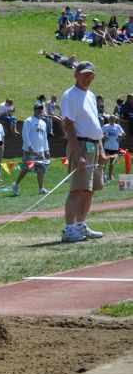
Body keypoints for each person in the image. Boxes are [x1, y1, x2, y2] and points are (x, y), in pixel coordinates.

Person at [60, 62, 105, 243]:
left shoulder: (91, 96)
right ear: (75, 74)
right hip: (80, 145)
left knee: (89, 190)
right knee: (77, 189)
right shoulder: (70, 95)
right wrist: (78, 153)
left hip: (93, 146)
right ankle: (69, 228)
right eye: (84, 74)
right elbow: (68, 124)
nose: (88, 78)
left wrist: (101, 150)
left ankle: (80, 225)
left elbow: (95, 124)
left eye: (91, 75)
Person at [12, 103, 51, 196]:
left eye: (41, 109)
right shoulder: (29, 121)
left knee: (41, 169)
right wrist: (29, 146)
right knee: (25, 169)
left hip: (40, 151)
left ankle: (41, 188)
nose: (39, 111)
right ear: (34, 110)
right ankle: (16, 184)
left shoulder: (43, 123)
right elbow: (24, 134)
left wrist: (47, 150)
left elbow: (45, 137)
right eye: (38, 109)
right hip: (30, 150)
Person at [101, 114, 124, 182]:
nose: (112, 120)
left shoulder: (117, 126)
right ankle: (102, 176)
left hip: (115, 147)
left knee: (112, 163)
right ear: (108, 120)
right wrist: (104, 138)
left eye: (113, 119)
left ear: (115, 120)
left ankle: (110, 176)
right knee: (105, 162)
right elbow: (100, 133)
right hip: (107, 146)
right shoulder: (105, 126)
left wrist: (119, 139)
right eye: (111, 119)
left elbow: (123, 134)